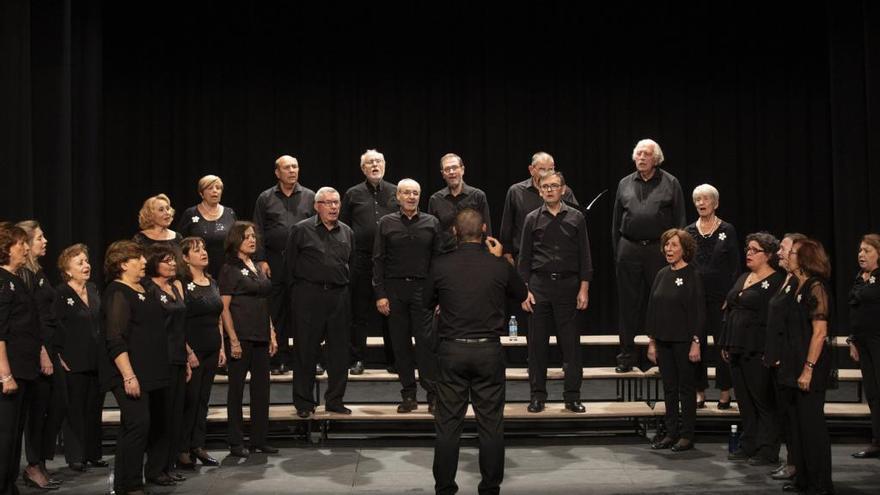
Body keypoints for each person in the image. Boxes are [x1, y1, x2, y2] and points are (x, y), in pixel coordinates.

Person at [424, 208, 528, 495]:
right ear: (484, 230)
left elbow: (425, 301)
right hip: (488, 353)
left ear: (455, 233)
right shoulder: (498, 266)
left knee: (447, 424)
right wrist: (503, 258)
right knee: (491, 424)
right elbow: (521, 294)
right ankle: (490, 487)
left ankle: (445, 488)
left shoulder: (440, 265)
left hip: (452, 351)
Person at [518, 172, 592, 414]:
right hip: (539, 287)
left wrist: (584, 288)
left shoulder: (577, 217)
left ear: (563, 189)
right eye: (545, 186)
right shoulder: (531, 219)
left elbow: (585, 256)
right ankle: (537, 396)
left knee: (570, 345)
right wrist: (525, 290)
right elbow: (524, 259)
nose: (549, 190)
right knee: (537, 347)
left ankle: (572, 397)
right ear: (540, 191)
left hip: (568, 286)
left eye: (554, 186)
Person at [277, 187, 354, 417]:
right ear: (317, 206)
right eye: (328, 202)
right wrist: (299, 295)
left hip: (338, 296)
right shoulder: (301, 230)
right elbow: (288, 267)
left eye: (336, 202)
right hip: (308, 296)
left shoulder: (347, 232)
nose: (333, 207)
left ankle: (335, 400)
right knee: (305, 351)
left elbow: (352, 264)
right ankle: (304, 402)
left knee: (339, 353)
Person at [100, 240, 170, 495]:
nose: (144, 262)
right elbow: (115, 338)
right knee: (137, 424)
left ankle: (129, 482)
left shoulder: (142, 287)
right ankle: (128, 485)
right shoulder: (117, 292)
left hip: (151, 372)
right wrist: (128, 376)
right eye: (137, 259)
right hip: (129, 373)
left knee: (141, 426)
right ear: (121, 264)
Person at [612, 139, 686, 372]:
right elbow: (615, 223)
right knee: (628, 305)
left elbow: (680, 221)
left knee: (662, 302)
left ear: (656, 159)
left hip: (659, 250)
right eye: (638, 154)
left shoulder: (671, 183)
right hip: (629, 248)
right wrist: (619, 251)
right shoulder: (624, 183)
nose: (641, 158)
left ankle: (662, 356)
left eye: (646, 154)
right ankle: (626, 356)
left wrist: (675, 253)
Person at [373, 179, 440, 413]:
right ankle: (409, 395)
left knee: (426, 345)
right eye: (407, 193)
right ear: (398, 197)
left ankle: (433, 395)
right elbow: (378, 261)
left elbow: (438, 262)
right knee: (400, 345)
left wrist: (438, 296)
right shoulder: (386, 223)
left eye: (415, 193)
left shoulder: (432, 223)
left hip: (423, 290)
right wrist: (380, 294)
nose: (411, 197)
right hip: (394, 290)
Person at [720, 233, 785, 465]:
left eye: (754, 250)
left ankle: (768, 450)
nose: (748, 253)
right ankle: (749, 444)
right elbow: (729, 310)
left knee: (762, 400)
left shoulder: (777, 281)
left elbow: (774, 319)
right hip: (737, 346)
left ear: (768, 255)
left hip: (758, 348)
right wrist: (726, 342)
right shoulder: (744, 277)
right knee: (744, 400)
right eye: (747, 248)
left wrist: (772, 350)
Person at [775, 238, 834, 495]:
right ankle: (804, 480)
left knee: (811, 428)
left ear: (805, 258)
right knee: (797, 428)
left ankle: (820, 484)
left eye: (794, 253)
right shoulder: (795, 286)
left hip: (809, 368)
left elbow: (819, 332)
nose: (788, 255)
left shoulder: (815, 287)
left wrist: (808, 368)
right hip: (791, 365)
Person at [219, 222, 278, 457]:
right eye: (246, 237)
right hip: (241, 336)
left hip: (261, 334)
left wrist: (271, 332)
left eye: (254, 236)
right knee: (236, 390)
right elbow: (224, 308)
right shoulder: (229, 268)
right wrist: (232, 339)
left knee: (261, 389)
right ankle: (235, 441)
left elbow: (265, 300)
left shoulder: (257, 266)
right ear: (236, 240)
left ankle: (259, 439)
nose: (252, 240)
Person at [252, 155, 315, 375]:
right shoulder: (265, 198)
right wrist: (260, 259)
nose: (292, 171)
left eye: (295, 166)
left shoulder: (310, 196)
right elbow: (257, 229)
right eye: (287, 167)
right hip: (274, 261)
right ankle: (279, 359)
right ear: (277, 173)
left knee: (304, 313)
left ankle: (307, 359)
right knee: (277, 311)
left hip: (303, 262)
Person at [646, 228, 705, 452]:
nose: (668, 250)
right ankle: (671, 433)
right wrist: (652, 342)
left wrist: (696, 341)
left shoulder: (693, 274)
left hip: (684, 341)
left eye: (674, 245)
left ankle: (687, 435)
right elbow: (652, 309)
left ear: (685, 249)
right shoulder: (661, 274)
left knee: (686, 389)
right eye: (666, 245)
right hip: (663, 340)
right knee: (669, 388)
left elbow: (699, 311)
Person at [340, 149, 398, 375]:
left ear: (384, 165)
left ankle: (394, 359)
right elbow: (343, 227)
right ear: (363, 168)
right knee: (359, 313)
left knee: (391, 313)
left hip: (389, 261)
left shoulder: (396, 192)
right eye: (370, 163)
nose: (375, 165)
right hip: (361, 259)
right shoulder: (352, 194)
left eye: (378, 161)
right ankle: (357, 359)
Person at [16, 221, 63, 488]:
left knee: (56, 406)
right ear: (26, 242)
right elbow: (31, 319)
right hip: (38, 350)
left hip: (52, 346)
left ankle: (40, 462)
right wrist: (43, 352)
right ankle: (33, 465)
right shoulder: (24, 275)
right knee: (38, 410)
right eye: (40, 238)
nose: (45, 241)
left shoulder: (39, 272)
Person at [684, 184, 739, 408]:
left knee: (721, 345)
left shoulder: (727, 229)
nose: (701, 203)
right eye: (697, 200)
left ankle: (725, 392)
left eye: (706, 199)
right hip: (696, 297)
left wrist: (732, 295)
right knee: (697, 344)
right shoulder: (688, 231)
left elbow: (736, 265)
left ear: (715, 203)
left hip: (722, 297)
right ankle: (700, 391)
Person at [53, 244, 106, 472]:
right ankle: (75, 456)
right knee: (75, 410)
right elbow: (54, 326)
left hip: (97, 360)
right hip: (73, 360)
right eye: (80, 263)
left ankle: (93, 454)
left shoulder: (93, 289)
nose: (86, 266)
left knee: (94, 409)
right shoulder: (61, 293)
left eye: (86, 261)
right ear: (67, 269)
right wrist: (58, 355)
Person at [141, 244, 190, 486]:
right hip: (160, 359)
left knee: (175, 415)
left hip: (179, 358)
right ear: (153, 264)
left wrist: (188, 356)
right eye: (167, 260)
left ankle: (168, 465)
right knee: (160, 416)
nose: (172, 264)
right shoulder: (147, 288)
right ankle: (154, 469)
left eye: (173, 260)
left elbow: (180, 326)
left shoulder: (174, 287)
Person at [0, 223, 42, 495]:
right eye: (21, 244)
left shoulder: (15, 280)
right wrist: (5, 375)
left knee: (14, 435)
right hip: (10, 371)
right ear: (5, 249)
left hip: (23, 369)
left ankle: (8, 484)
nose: (26, 248)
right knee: (5, 435)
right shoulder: (2, 282)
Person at [178, 237, 224, 467]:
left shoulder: (212, 282)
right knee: (191, 399)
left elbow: (218, 318)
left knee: (204, 400)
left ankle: (198, 445)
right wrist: (188, 352)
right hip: (193, 350)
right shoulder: (182, 284)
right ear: (185, 258)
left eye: (204, 248)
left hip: (212, 348)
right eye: (197, 250)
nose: (203, 253)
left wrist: (222, 346)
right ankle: (182, 447)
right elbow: (178, 321)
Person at [765, 233, 807, 482]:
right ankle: (792, 460)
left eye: (784, 248)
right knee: (784, 415)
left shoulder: (799, 282)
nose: (779, 253)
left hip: (789, 360)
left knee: (793, 417)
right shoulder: (786, 279)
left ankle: (795, 463)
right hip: (777, 358)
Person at [848, 234, 880, 459]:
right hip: (863, 342)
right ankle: (877, 441)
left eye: (867, 250)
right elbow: (855, 311)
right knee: (873, 393)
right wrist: (852, 340)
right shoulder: (860, 277)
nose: (861, 254)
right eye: (860, 250)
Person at [428, 153, 492, 254]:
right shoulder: (435, 199)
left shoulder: (478, 196)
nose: (451, 172)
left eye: (454, 167)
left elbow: (486, 230)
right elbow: (433, 234)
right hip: (445, 256)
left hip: (473, 256)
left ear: (462, 170)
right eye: (447, 169)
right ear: (443, 174)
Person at [176, 175, 238, 279]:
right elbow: (181, 244)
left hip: (227, 271)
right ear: (201, 193)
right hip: (198, 272)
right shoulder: (190, 214)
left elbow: (237, 242)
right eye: (210, 188)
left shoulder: (230, 213)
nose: (215, 191)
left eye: (218, 188)